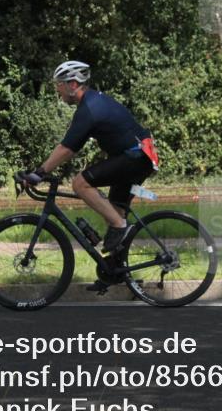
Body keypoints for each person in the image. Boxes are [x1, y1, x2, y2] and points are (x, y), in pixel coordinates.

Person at [21, 61, 158, 264]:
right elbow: (71, 146)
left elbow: (67, 149)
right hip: (138, 157)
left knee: (80, 184)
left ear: (73, 84)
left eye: (59, 84)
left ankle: (120, 227)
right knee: (114, 213)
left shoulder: (89, 109)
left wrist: (39, 173)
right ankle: (117, 272)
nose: (57, 89)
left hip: (135, 158)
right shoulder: (93, 102)